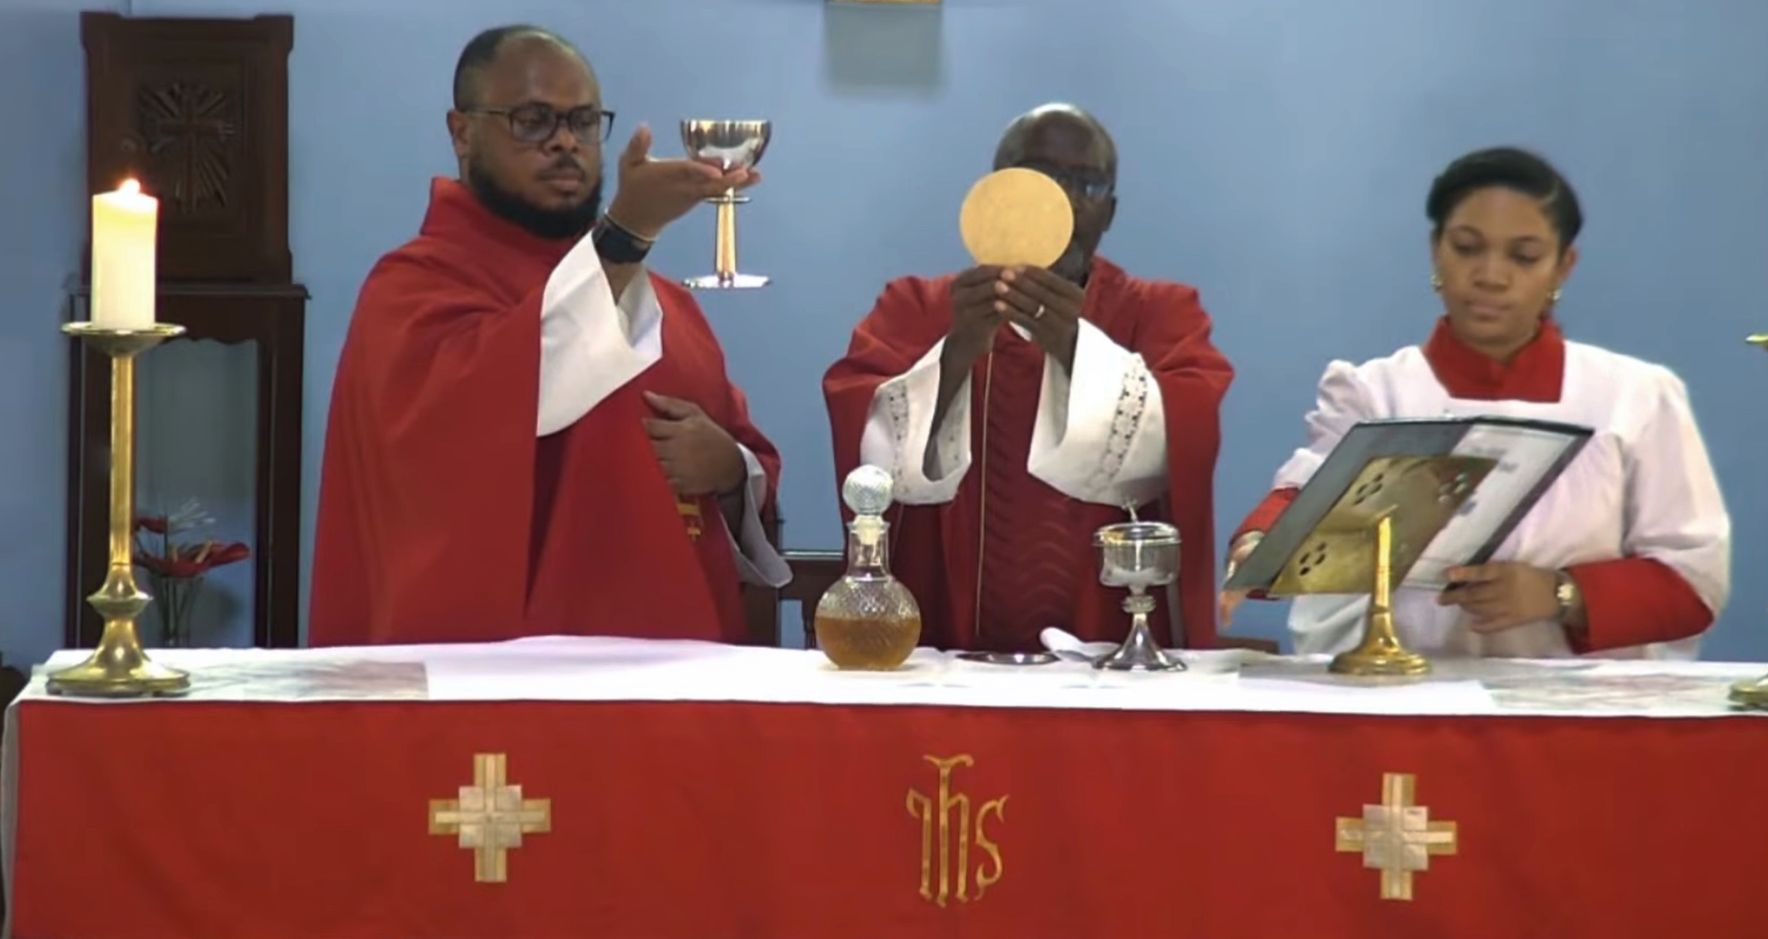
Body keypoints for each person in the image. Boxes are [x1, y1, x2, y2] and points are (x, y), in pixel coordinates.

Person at [311, 25, 789, 646]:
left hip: (675, 663)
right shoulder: (415, 288)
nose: (565, 142)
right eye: (532, 120)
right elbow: (502, 403)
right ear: (461, 133)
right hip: (502, 675)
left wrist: (731, 469)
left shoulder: (666, 303)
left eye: (584, 121)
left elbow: (744, 463)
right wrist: (625, 234)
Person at [1222, 147, 1729, 659]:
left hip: (1577, 717)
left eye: (1524, 256)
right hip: (1400, 706)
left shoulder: (1635, 396)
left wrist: (1560, 594)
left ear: (1562, 266)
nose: (1490, 275)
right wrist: (1258, 548)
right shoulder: (1375, 392)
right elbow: (1304, 501)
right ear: (1435, 250)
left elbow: (1692, 582)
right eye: (1467, 248)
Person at [823, 104, 1234, 653]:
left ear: (1109, 211)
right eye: (1038, 178)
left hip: (1109, 644)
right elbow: (868, 455)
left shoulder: (1160, 313)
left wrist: (1072, 345)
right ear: (996, 192)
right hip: (941, 638)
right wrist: (955, 353)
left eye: (1083, 183)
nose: (1059, 201)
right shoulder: (915, 307)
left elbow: (1186, 432)